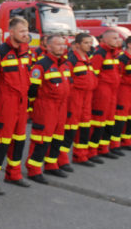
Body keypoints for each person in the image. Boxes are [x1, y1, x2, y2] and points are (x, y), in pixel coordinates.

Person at [0, 17, 31, 195]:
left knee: (19, 141)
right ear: (11, 33)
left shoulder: (26, 53)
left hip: (21, 103)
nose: (25, 35)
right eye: (21, 31)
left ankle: (14, 174)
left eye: (26, 31)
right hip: (4, 105)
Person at [25, 35, 71, 184]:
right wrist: (33, 109)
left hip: (61, 106)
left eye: (63, 45)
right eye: (57, 44)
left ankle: (52, 164)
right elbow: (32, 89)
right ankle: (34, 170)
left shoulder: (64, 64)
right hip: (46, 107)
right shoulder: (41, 65)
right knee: (41, 139)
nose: (61, 47)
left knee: (58, 137)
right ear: (49, 47)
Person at [89, 30, 123, 160]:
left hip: (112, 92)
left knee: (109, 120)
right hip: (102, 92)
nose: (117, 40)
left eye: (118, 38)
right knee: (98, 122)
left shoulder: (114, 54)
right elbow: (94, 75)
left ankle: (103, 148)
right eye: (114, 38)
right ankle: (92, 151)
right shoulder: (100, 54)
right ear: (106, 39)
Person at [66, 34, 98, 167]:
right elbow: (67, 81)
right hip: (75, 98)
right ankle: (61, 160)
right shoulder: (72, 60)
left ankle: (81, 155)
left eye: (90, 42)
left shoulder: (88, 59)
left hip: (87, 98)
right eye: (86, 42)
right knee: (70, 128)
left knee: (85, 127)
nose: (89, 45)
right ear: (77, 44)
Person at [116, 36, 131, 151]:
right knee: (120, 116)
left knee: (129, 117)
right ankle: (115, 143)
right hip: (123, 90)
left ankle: (127, 141)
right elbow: (118, 77)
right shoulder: (122, 59)